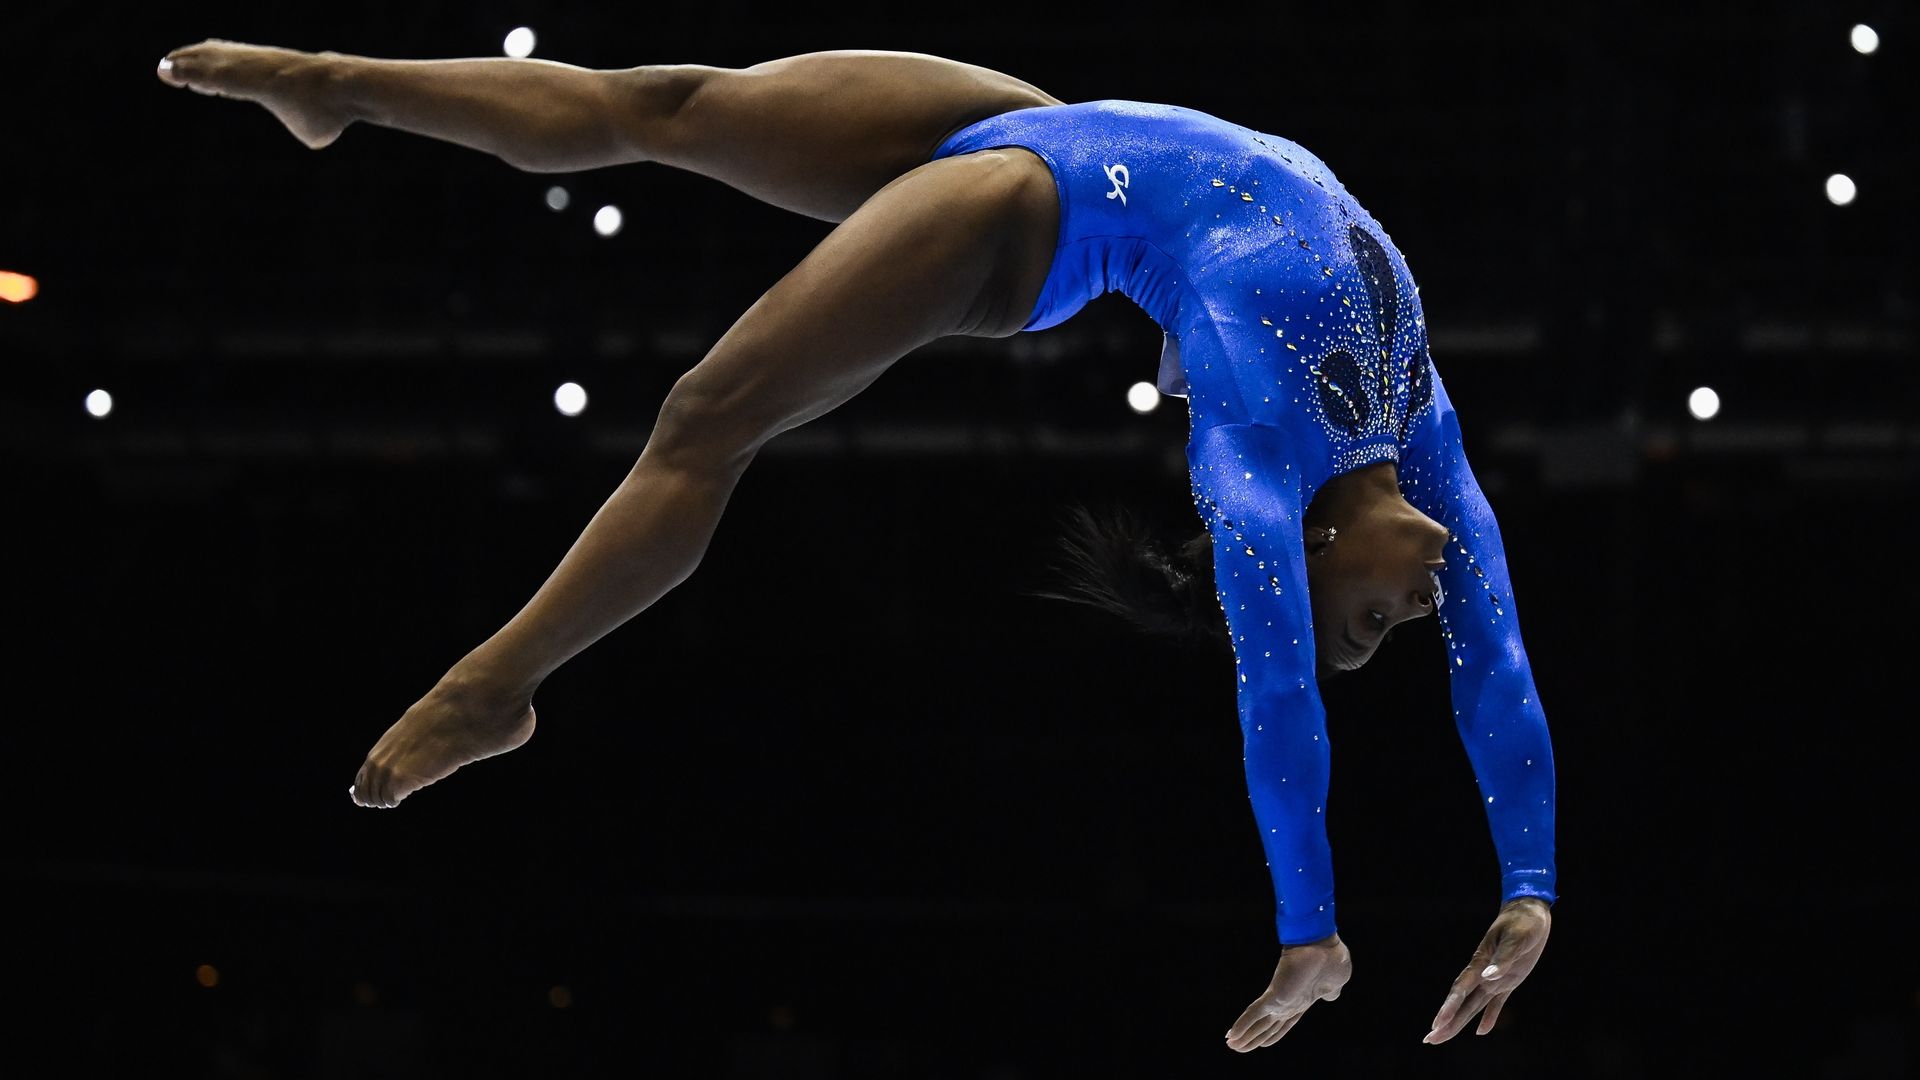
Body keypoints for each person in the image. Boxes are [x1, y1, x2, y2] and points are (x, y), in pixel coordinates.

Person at [155, 40, 1555, 1051]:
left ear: (1298, 558)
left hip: (1029, 219)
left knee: (708, 413)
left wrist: (1310, 933)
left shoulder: (1254, 467)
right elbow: (1496, 670)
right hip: (1052, 126)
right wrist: (1530, 891)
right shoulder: (1416, 432)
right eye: (1379, 628)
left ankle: (495, 685)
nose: (1416, 611)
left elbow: (1277, 696)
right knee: (665, 102)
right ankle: (335, 87)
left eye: (1371, 624)